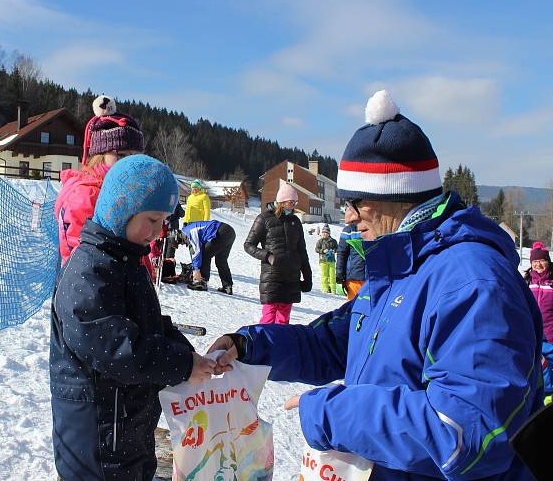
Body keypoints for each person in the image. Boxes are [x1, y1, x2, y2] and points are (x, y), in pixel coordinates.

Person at [208, 90, 544, 480]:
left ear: (395, 196)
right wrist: (251, 346)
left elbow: (468, 435)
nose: (348, 217)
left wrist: (333, 414)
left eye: (356, 202)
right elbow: (335, 341)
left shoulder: (472, 283)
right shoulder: (400, 264)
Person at [50, 154, 217, 481]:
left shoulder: (125, 261)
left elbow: (148, 325)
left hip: (126, 428)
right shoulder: (88, 272)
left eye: (163, 222)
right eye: (151, 220)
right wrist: (182, 366)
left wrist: (190, 355)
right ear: (121, 209)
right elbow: (118, 350)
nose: (157, 232)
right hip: (96, 441)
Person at [54, 94, 144, 265]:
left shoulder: (120, 188)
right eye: (121, 156)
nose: (129, 164)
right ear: (99, 155)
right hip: (91, 285)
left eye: (135, 158)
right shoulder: (86, 195)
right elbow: (82, 257)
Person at [243, 180, 312, 324]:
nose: (293, 206)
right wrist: (267, 256)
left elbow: (302, 252)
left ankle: (280, 346)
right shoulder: (264, 219)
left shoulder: (295, 221)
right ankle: (263, 344)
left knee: (283, 321)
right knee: (268, 319)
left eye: (295, 203)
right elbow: (248, 245)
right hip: (272, 276)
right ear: (282, 201)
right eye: (291, 202)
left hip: (292, 278)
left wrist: (307, 276)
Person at [525, 241, 553, 398]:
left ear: (547, 261)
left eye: (542, 260)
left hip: (551, 334)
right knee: (540, 364)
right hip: (534, 333)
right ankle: (546, 394)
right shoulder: (527, 282)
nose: (538, 265)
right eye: (535, 261)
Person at [180, 219, 235, 294]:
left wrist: (196, 269)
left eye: (182, 243)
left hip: (220, 231)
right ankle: (227, 287)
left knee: (204, 254)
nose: (183, 244)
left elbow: (197, 251)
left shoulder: (189, 231)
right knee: (221, 261)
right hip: (230, 231)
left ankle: (201, 282)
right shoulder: (190, 228)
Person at [335, 223, 366, 300]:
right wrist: (339, 274)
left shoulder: (377, 226)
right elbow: (342, 253)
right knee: (353, 305)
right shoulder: (350, 230)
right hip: (355, 277)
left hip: (375, 277)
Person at [314, 224, 337, 293]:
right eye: (323, 232)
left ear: (328, 233)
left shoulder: (333, 241)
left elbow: (337, 248)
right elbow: (316, 249)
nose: (324, 234)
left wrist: (334, 251)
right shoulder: (320, 241)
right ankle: (325, 289)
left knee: (332, 275)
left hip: (331, 260)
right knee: (324, 275)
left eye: (326, 232)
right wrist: (323, 251)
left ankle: (333, 289)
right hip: (323, 260)